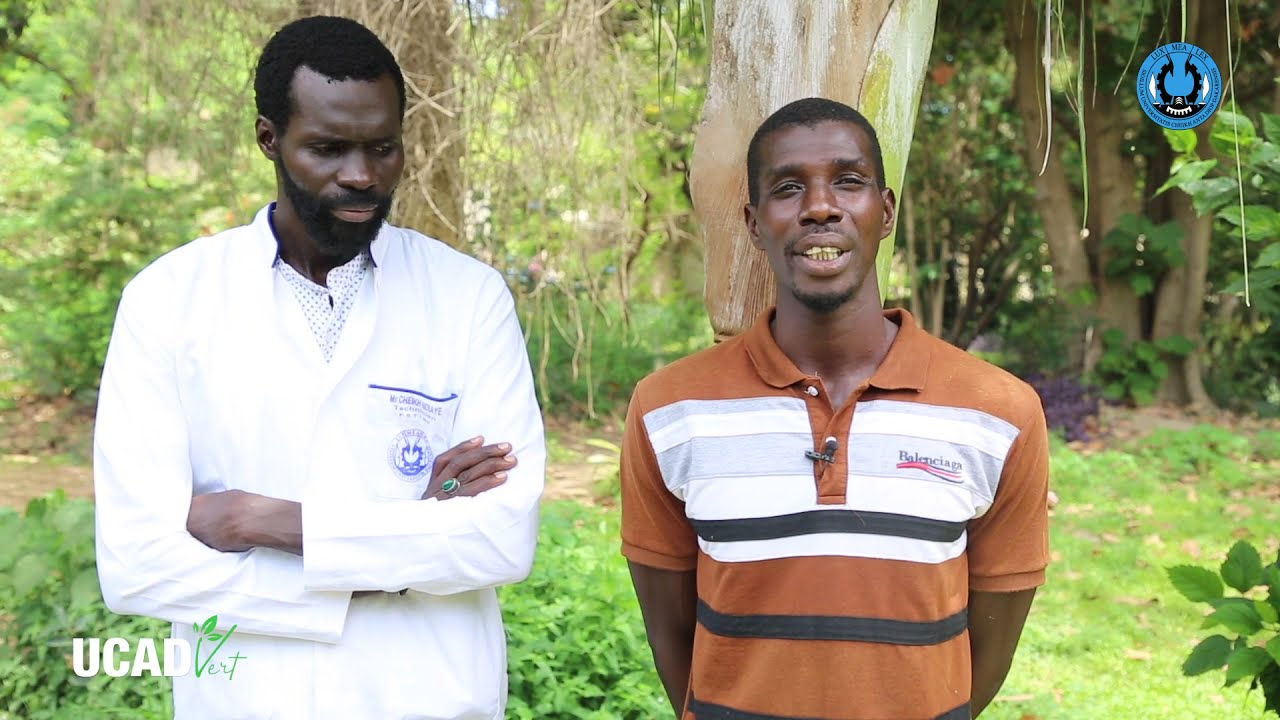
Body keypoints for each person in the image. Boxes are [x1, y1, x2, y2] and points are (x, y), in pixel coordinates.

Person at [92, 15, 545, 720]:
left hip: (426, 698)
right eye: (328, 149)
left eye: (383, 148)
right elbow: (136, 565)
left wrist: (254, 519)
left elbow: (498, 539)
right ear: (269, 138)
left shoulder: (467, 297)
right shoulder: (168, 301)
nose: (361, 176)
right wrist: (401, 545)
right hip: (246, 699)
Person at [620, 97, 1050, 720]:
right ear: (752, 221)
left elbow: (990, 641)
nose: (821, 207)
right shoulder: (669, 409)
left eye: (849, 182)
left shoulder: (1000, 413)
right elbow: (671, 634)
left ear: (886, 212)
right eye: (789, 187)